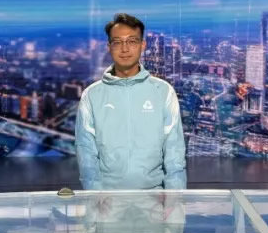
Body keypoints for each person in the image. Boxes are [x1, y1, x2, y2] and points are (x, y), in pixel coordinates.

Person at [75, 13, 187, 190]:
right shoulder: (92, 95)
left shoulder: (163, 91)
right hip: (106, 200)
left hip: (155, 198)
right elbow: (86, 152)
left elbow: (175, 153)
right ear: (109, 47)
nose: (125, 49)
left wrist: (175, 198)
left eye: (132, 41)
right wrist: (96, 197)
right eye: (117, 42)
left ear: (143, 45)